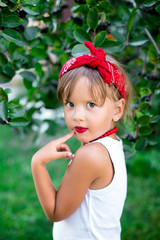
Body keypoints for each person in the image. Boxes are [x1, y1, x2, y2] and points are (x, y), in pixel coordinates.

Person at [31, 41, 131, 240]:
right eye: (70, 104)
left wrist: (38, 163)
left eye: (91, 104)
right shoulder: (110, 145)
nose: (77, 116)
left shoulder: (90, 155)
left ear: (117, 110)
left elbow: (56, 212)